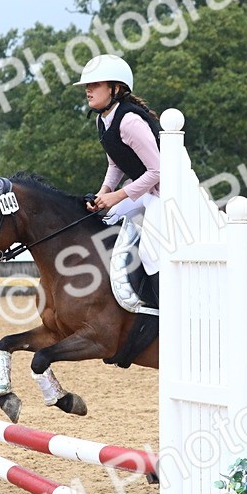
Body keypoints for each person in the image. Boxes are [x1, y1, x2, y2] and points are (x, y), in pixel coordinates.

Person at [74, 54, 162, 307]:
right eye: (87, 86)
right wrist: (103, 193)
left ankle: (163, 311)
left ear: (115, 88)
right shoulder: (104, 119)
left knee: (149, 252)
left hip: (166, 193)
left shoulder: (130, 121)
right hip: (146, 190)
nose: (88, 90)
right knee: (105, 220)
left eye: (95, 85)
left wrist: (118, 196)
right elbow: (115, 164)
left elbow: (157, 171)